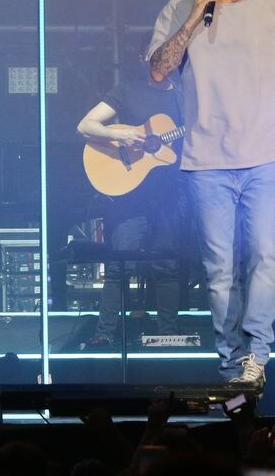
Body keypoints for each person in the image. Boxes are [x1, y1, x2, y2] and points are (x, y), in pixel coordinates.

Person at [147, 0, 275, 386]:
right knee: (219, 269)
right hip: (206, 161)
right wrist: (190, 22)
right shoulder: (181, 7)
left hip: (264, 155)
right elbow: (158, 72)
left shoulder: (272, 4)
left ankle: (257, 355)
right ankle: (230, 364)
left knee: (264, 255)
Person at [76, 55, 190, 347]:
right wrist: (122, 135)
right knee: (119, 264)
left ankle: (167, 337)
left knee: (167, 265)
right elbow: (85, 126)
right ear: (145, 58)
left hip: (170, 194)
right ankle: (104, 333)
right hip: (129, 195)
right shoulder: (127, 90)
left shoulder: (185, 95)